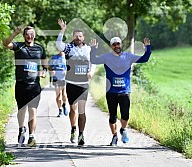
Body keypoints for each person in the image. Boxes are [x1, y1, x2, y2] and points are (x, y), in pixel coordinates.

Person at [89, 37, 151, 146]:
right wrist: (93, 49)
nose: (116, 46)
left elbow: (144, 59)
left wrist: (147, 47)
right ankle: (114, 136)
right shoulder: (106, 57)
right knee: (112, 116)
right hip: (111, 91)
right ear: (111, 46)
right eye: (114, 44)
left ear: (121, 44)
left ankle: (123, 129)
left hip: (125, 91)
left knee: (125, 115)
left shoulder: (128, 56)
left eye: (118, 44)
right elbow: (93, 60)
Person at [3, 25, 48, 147]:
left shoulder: (40, 48)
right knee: (22, 109)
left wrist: (44, 70)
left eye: (32, 34)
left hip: (34, 85)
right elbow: (6, 44)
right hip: (21, 84)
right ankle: (21, 128)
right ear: (24, 36)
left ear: (34, 35)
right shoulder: (18, 46)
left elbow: (44, 62)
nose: (29, 36)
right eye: (27, 34)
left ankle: (32, 136)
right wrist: (15, 32)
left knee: (33, 110)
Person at [56, 18, 96, 146]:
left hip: (84, 84)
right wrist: (62, 30)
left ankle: (81, 134)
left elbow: (93, 62)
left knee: (82, 110)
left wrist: (91, 72)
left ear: (83, 37)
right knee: (73, 109)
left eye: (80, 36)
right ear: (73, 37)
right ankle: (73, 128)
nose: (78, 38)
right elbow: (58, 45)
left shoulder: (89, 49)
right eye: (76, 36)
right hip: (71, 82)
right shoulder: (68, 48)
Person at [48, 51, 68, 117]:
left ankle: (64, 105)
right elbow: (49, 67)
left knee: (64, 95)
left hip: (63, 78)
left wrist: (67, 72)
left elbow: (71, 67)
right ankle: (60, 110)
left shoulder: (67, 57)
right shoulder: (54, 57)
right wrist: (51, 71)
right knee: (58, 95)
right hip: (56, 78)